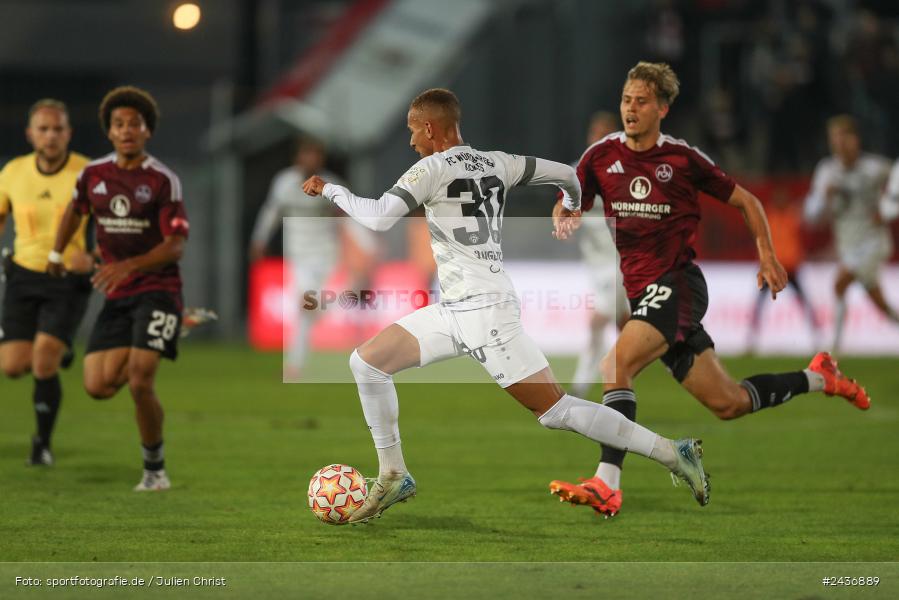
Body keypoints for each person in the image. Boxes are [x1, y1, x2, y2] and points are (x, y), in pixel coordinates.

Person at [303, 88, 711, 524]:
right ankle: (393, 474)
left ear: (429, 127)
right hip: (456, 308)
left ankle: (671, 452)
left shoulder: (430, 168)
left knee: (554, 411)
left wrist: (331, 190)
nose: (410, 143)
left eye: (411, 132)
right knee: (366, 363)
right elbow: (566, 174)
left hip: (484, 314)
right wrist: (573, 204)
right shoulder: (499, 161)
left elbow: (381, 215)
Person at [549, 62, 870, 518]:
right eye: (626, 100)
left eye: (641, 101)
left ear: (662, 107)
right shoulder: (600, 156)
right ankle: (821, 376)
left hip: (678, 283)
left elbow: (747, 200)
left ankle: (608, 483)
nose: (631, 109)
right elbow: (570, 195)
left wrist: (767, 254)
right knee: (729, 402)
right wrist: (565, 210)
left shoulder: (682, 159)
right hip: (647, 295)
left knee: (616, 364)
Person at [49, 86, 189, 491]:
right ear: (109, 132)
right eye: (119, 124)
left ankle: (154, 470)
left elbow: (176, 245)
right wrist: (59, 255)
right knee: (97, 386)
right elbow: (74, 212)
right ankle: (158, 336)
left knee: (141, 381)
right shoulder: (92, 175)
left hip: (159, 289)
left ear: (148, 132)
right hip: (118, 295)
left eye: (135, 124)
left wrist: (128, 264)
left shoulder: (163, 180)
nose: (127, 130)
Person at [0, 99, 93, 466]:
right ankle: (61, 348)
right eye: (43, 129)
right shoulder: (13, 172)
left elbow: (112, 226)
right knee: (12, 367)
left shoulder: (86, 173)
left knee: (43, 361)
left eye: (57, 129)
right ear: (30, 134)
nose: (51, 136)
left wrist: (94, 257)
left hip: (66, 279)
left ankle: (42, 445)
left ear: (68, 133)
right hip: (22, 275)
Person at [249, 137, 376, 380]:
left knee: (310, 310)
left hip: (327, 255)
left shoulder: (330, 185)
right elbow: (271, 211)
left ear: (321, 159)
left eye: (316, 155)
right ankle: (294, 366)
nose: (311, 160)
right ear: (298, 158)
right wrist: (259, 239)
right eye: (307, 154)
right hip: (299, 256)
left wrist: (367, 243)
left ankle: (295, 366)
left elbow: (346, 217)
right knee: (306, 304)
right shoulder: (284, 183)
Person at [803, 115, 899, 351]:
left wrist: (889, 209)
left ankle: (834, 351)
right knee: (880, 303)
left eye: (845, 137)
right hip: (848, 247)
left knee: (839, 284)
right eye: (835, 138)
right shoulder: (826, 171)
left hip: (874, 242)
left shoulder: (874, 168)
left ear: (856, 139)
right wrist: (823, 200)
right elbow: (811, 217)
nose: (840, 143)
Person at [570, 111, 630, 397]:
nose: (597, 138)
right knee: (626, 324)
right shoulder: (576, 172)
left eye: (603, 133)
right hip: (596, 264)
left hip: (619, 263)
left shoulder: (624, 173)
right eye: (594, 133)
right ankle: (623, 378)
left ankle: (581, 385)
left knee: (597, 321)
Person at [746, 184, 820, 353]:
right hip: (772, 269)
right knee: (759, 305)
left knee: (804, 302)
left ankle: (817, 337)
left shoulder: (791, 216)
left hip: (790, 268)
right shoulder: (769, 217)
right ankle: (751, 340)